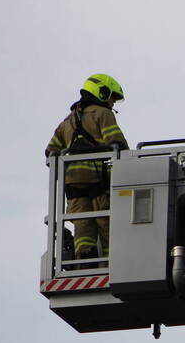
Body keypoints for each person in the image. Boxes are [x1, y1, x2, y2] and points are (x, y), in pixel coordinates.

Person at [46, 74, 129, 263]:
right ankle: (112, 264)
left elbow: (51, 151)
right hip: (98, 181)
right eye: (112, 98)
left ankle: (84, 262)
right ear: (101, 93)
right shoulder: (103, 114)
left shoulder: (67, 121)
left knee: (83, 227)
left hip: (73, 184)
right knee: (106, 224)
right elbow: (118, 144)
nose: (113, 103)